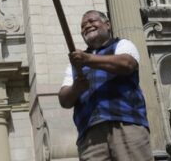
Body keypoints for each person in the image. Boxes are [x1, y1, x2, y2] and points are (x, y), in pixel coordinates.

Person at [59, 10, 152, 160]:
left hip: (126, 123)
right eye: (83, 25)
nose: (87, 26)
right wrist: (76, 88)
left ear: (107, 25)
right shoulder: (75, 64)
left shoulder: (122, 45)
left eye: (92, 21)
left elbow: (127, 64)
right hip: (90, 134)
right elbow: (64, 100)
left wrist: (87, 59)